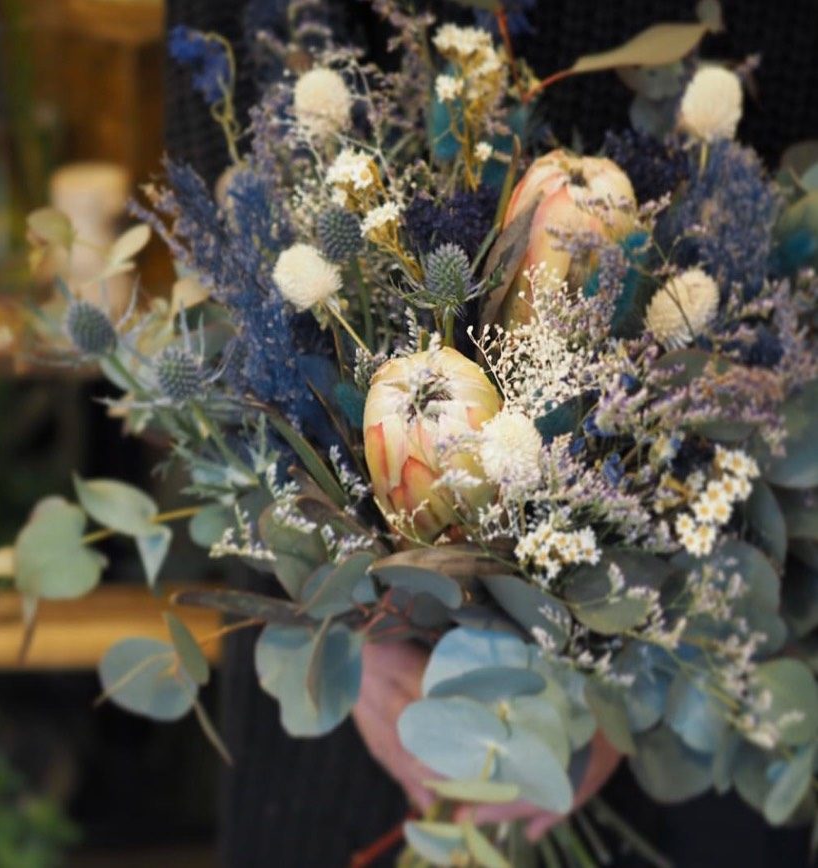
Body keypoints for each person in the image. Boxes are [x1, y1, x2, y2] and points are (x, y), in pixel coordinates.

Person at [165, 1, 818, 864]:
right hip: (365, 695)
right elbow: (230, 242)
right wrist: (362, 623)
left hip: (685, 683)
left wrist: (620, 681)